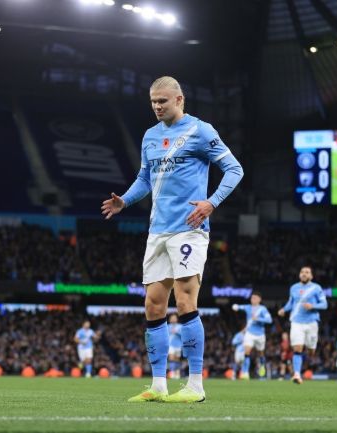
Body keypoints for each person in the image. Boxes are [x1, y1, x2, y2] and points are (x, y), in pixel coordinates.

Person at [101, 76, 243, 403]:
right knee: (153, 304)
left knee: (185, 301)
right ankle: (158, 385)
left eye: (162, 101)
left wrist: (211, 203)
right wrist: (125, 201)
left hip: (189, 228)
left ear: (179, 99)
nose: (157, 106)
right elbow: (144, 179)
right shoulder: (150, 136)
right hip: (158, 230)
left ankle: (195, 385)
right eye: (153, 101)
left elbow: (234, 169)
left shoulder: (200, 131)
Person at [278, 266, 328, 384]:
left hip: (311, 322)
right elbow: (291, 303)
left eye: (307, 272)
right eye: (302, 272)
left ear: (311, 276)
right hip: (296, 322)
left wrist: (313, 306)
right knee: (297, 348)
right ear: (299, 274)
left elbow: (324, 304)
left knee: (311, 351)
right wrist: (284, 309)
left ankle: (309, 354)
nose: (304, 274)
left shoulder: (316, 288)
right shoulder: (293, 288)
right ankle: (297, 374)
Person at [232, 291, 273, 379]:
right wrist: (236, 307)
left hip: (260, 335)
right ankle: (245, 373)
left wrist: (258, 318)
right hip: (249, 333)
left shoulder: (263, 309)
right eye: (252, 298)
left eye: (255, 298)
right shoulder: (248, 307)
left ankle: (262, 366)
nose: (253, 299)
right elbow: (240, 307)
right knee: (247, 352)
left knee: (261, 353)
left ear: (259, 299)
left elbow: (269, 320)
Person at [167, 314, 182, 379]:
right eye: (172, 318)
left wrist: (176, 332)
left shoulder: (180, 326)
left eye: (174, 318)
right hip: (170, 345)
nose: (173, 319)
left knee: (177, 359)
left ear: (176, 319)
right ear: (170, 319)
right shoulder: (167, 327)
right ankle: (172, 373)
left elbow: (182, 335)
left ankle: (177, 373)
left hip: (178, 345)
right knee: (171, 358)